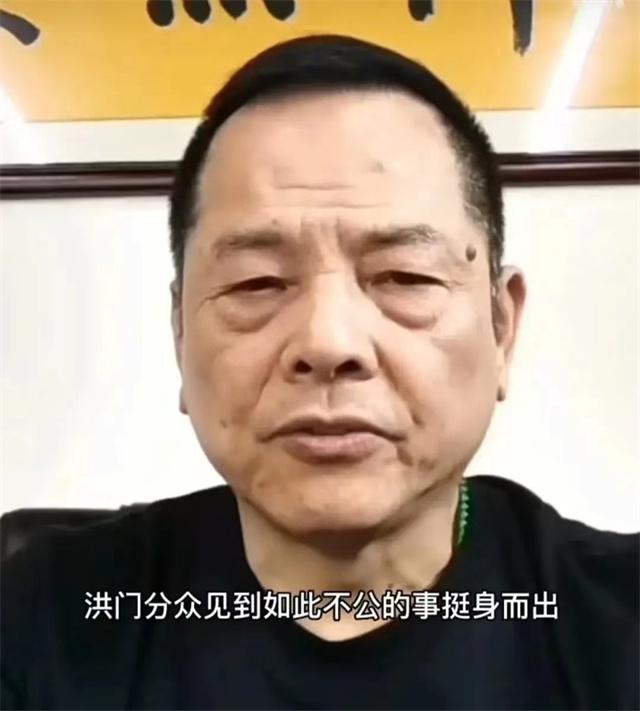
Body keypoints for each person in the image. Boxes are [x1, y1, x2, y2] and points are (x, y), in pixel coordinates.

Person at [1, 34, 638, 711]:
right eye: (257, 282)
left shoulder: (618, 628)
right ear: (180, 332)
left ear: (502, 327)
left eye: (404, 276)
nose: (329, 342)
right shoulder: (42, 618)